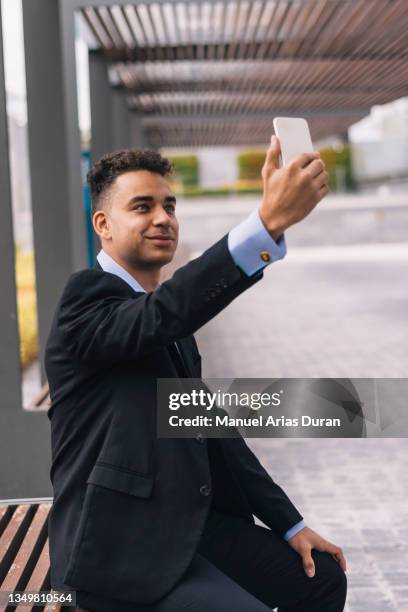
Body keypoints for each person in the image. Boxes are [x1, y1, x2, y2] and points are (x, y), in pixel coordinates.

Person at [45, 135, 347, 612]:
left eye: (169, 205)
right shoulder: (85, 301)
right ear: (102, 224)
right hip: (116, 550)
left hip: (185, 526)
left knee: (322, 579)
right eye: (142, 207)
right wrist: (264, 225)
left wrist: (290, 525)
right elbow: (163, 314)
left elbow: (214, 429)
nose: (163, 218)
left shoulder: (167, 320)